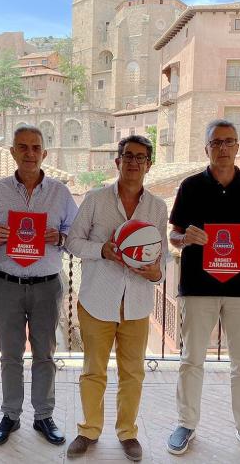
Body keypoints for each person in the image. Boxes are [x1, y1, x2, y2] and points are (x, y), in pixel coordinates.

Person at [167, 119, 240, 461]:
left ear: (238, 146)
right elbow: (174, 236)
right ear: (206, 148)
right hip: (197, 287)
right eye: (216, 142)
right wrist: (185, 239)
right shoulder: (189, 186)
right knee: (191, 359)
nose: (223, 148)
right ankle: (186, 424)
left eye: (229, 142)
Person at [65, 135, 167, 462]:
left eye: (141, 158)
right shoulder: (95, 200)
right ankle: (89, 430)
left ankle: (127, 433)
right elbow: (72, 242)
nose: (134, 162)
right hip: (97, 299)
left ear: (149, 165)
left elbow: (160, 255)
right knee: (93, 370)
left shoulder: (157, 206)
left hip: (136, 302)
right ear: (117, 161)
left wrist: (156, 273)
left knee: (132, 372)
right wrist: (102, 250)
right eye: (128, 156)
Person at [0, 125, 78, 447]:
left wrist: (59, 238)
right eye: (23, 147)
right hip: (6, 283)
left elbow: (75, 236)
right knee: (10, 354)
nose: (29, 153)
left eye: (36, 148)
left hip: (47, 285)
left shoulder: (60, 192)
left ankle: (44, 415)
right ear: (13, 152)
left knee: (45, 354)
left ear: (44, 153)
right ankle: (10, 415)